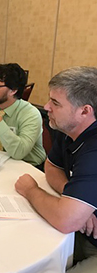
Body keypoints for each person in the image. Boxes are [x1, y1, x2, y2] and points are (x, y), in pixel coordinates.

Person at [15, 66, 97, 273]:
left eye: (55, 103)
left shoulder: (93, 148)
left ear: (85, 111)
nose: (46, 107)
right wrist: (75, 201)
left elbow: (65, 220)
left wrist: (30, 189)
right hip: (79, 230)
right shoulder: (67, 127)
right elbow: (51, 166)